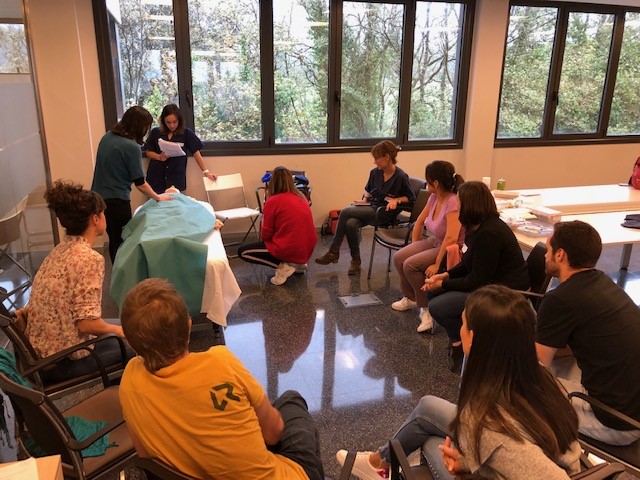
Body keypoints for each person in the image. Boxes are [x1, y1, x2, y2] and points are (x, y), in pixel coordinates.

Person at [336, 285, 580, 480]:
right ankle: (379, 463)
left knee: (432, 442)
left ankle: (379, 466)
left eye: (462, 324)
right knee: (427, 406)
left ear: (473, 338)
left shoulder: (489, 423)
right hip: (550, 459)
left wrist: (464, 469)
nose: (459, 330)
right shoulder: (537, 374)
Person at [118, 278, 324, 480]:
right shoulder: (221, 363)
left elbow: (145, 455)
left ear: (131, 344)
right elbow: (273, 433)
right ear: (188, 326)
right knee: (291, 400)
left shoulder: (129, 380)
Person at [536, 220, 640, 446]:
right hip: (633, 408)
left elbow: (536, 366)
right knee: (559, 364)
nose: (545, 255)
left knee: (521, 391)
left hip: (614, 423)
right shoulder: (604, 282)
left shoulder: (559, 299)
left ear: (560, 255)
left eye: (548, 249)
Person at [25, 181, 130, 382]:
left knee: (126, 327)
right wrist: (119, 331)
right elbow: (87, 325)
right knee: (137, 345)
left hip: (40, 352)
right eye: (103, 213)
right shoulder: (89, 259)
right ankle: (118, 395)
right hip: (61, 360)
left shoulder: (60, 249)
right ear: (96, 218)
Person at [423, 181, 528, 372]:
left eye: (460, 202)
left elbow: (477, 281)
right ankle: (461, 339)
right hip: (488, 282)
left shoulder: (489, 233)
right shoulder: (477, 228)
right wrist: (445, 275)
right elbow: (467, 264)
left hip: (502, 291)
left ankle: (463, 346)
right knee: (432, 293)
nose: (458, 206)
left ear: (470, 205)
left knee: (437, 306)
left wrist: (443, 284)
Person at [315, 140, 415, 275]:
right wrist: (364, 200)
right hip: (371, 208)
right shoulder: (375, 173)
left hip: (384, 213)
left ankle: (333, 251)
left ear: (387, 157)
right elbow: (369, 190)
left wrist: (396, 200)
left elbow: (410, 198)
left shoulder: (401, 176)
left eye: (377, 158)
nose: (374, 162)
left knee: (345, 212)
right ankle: (355, 260)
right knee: (350, 224)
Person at [91, 105, 173, 263]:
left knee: (114, 240)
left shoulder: (107, 137)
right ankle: (124, 274)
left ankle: (117, 271)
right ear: (140, 126)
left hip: (98, 198)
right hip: (116, 201)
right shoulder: (131, 147)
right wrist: (158, 197)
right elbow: (140, 183)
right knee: (124, 241)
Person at [391, 161, 464, 333]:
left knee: (410, 265)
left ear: (436, 183)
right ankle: (411, 298)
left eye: (428, 180)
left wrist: (437, 264)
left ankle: (427, 309)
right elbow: (419, 222)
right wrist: (414, 246)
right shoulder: (434, 197)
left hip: (451, 248)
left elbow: (452, 237)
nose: (426, 183)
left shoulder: (453, 202)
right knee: (400, 257)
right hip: (436, 241)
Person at [238, 166, 317, 286]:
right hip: (308, 247)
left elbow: (266, 234)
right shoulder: (301, 197)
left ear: (272, 182)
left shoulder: (272, 201)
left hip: (291, 247)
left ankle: (283, 267)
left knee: (243, 252)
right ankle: (297, 263)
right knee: (287, 240)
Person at [143, 103, 216, 194]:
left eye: (174, 122)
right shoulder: (156, 132)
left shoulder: (186, 133)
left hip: (176, 178)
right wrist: (159, 157)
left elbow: (196, 153)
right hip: (156, 177)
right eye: (168, 122)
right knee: (155, 202)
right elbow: (148, 152)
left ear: (179, 120)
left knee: (175, 202)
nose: (172, 125)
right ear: (163, 121)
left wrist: (206, 172)